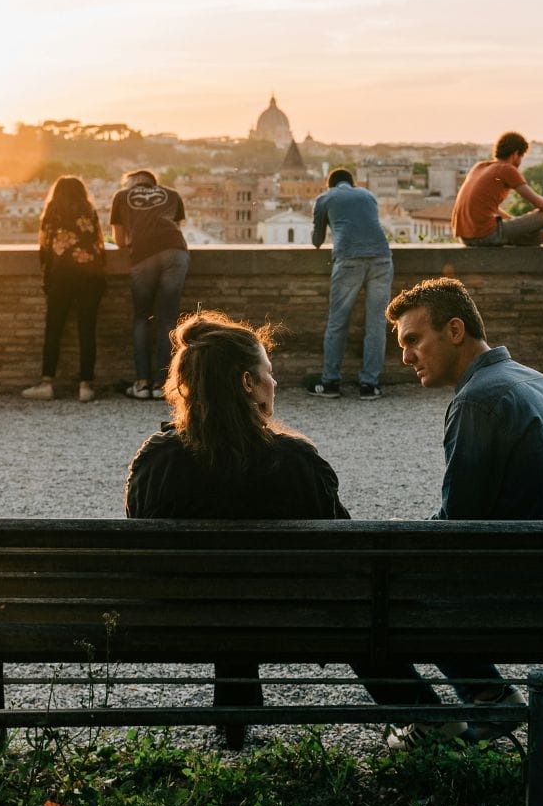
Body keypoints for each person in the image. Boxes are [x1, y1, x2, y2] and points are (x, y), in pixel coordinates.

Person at [124, 310, 454, 749]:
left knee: (228, 590)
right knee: (356, 603)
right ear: (246, 383)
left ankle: (233, 714)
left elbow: (141, 546)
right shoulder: (296, 462)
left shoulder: (156, 461)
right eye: (268, 373)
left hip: (181, 616)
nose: (274, 383)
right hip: (298, 619)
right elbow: (349, 554)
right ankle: (424, 714)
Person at [384, 276, 543, 747]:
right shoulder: (535, 380)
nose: (406, 356)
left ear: (455, 330)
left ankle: (445, 716)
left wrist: (398, 544)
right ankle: (486, 693)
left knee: (385, 590)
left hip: (512, 586)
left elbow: (457, 527)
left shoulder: (477, 400)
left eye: (414, 340)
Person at [308, 167, 393, 399]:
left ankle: (330, 383)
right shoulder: (368, 195)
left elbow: (317, 241)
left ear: (330, 184)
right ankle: (369, 385)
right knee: (376, 324)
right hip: (382, 258)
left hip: (349, 259)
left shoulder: (326, 198)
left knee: (337, 322)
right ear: (352, 183)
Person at [22, 176, 106, 403]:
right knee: (87, 331)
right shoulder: (89, 211)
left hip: (61, 276)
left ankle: (47, 383)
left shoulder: (52, 211)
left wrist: (46, 277)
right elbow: (99, 243)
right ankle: (85, 386)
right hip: (90, 276)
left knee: (54, 330)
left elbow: (45, 247)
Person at [111, 169, 189, 400]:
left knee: (142, 318)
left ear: (131, 182)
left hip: (143, 256)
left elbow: (118, 240)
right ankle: (162, 385)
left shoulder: (122, 196)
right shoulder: (172, 194)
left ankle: (142, 383)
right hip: (176, 253)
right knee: (167, 319)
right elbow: (177, 227)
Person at [451, 131, 543, 246]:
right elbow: (539, 203)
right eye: (521, 157)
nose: (520, 162)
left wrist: (514, 222)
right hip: (486, 235)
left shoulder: (479, 167)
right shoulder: (507, 169)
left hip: (465, 237)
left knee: (536, 237)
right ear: (516, 154)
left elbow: (489, 207)